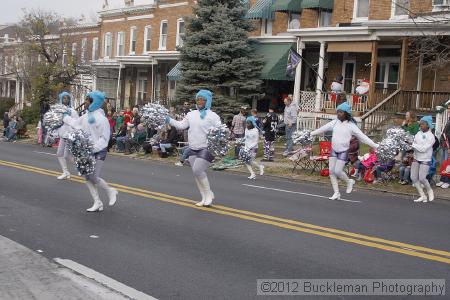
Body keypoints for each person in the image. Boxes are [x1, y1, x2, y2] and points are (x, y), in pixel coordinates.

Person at [63, 91, 118, 212]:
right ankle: (97, 202)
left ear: (94, 102)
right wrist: (63, 117)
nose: (85, 102)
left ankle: (110, 191)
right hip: (86, 151)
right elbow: (75, 124)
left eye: (87, 100)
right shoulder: (85, 117)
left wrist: (93, 148)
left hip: (99, 150)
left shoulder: (102, 119)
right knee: (87, 177)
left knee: (93, 176)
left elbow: (105, 138)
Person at [311, 102, 379, 200]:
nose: (338, 114)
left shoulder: (351, 126)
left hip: (343, 151)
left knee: (338, 171)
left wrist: (375, 145)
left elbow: (363, 137)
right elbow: (323, 129)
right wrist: (311, 133)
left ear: (346, 113)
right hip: (334, 150)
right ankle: (336, 193)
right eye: (337, 112)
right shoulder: (334, 122)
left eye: (341, 112)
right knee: (331, 171)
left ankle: (349, 182)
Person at [168, 90, 221, 207]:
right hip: (193, 148)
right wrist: (169, 120)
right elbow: (182, 125)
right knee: (196, 173)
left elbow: (220, 132)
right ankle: (204, 197)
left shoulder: (213, 116)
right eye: (198, 99)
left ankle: (208, 195)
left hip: (206, 148)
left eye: (203, 99)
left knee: (198, 170)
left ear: (208, 101)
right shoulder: (191, 114)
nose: (200, 101)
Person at [411, 116, 436, 203]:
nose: (421, 125)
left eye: (423, 124)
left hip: (425, 158)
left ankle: (429, 190)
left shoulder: (431, 136)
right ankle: (422, 196)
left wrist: (413, 145)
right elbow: (414, 145)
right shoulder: (418, 134)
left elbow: (423, 149)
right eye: (420, 123)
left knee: (422, 178)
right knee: (413, 177)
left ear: (428, 125)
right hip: (416, 157)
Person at [55, 92, 79, 180]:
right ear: (61, 99)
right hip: (62, 135)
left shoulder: (72, 111)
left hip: (69, 135)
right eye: (64, 98)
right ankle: (65, 172)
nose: (66, 100)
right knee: (59, 154)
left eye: (67, 98)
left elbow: (76, 123)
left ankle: (82, 165)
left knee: (66, 155)